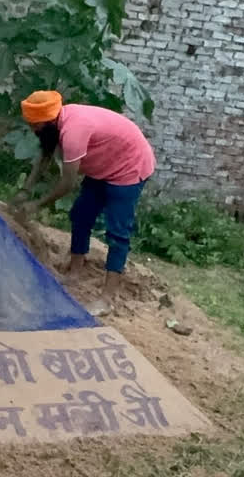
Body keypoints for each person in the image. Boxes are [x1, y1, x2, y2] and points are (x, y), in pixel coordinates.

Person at [15, 90, 155, 317]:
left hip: (130, 167)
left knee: (118, 233)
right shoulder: (54, 125)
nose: (33, 131)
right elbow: (45, 155)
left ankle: (107, 299)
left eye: (35, 127)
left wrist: (37, 204)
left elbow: (67, 183)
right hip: (104, 166)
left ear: (48, 121)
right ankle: (76, 269)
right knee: (80, 215)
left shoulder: (73, 131)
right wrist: (24, 190)